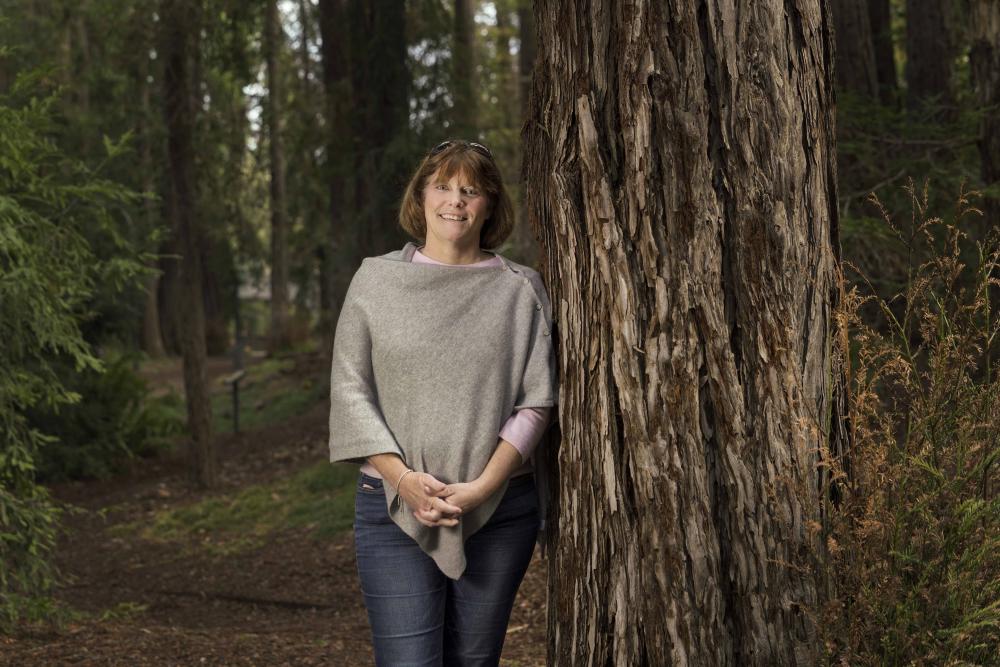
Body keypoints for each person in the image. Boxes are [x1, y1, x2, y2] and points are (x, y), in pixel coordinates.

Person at [327, 139, 558, 666]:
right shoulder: (376, 281)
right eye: (444, 187)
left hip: (499, 511)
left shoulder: (520, 289)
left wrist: (481, 488)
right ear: (421, 196)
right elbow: (349, 390)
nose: (456, 201)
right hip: (393, 506)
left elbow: (536, 402)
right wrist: (404, 480)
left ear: (490, 205)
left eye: (471, 191)